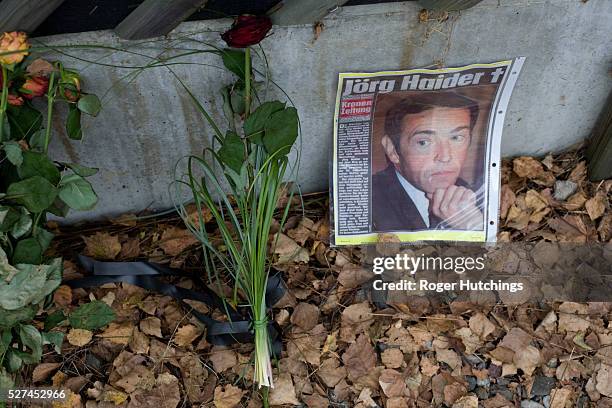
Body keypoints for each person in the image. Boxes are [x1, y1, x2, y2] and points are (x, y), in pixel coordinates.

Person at [372, 91, 484, 232]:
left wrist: (476, 228)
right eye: (424, 142)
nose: (444, 157)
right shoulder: (367, 200)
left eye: (456, 138)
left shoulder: (475, 196)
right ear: (392, 150)